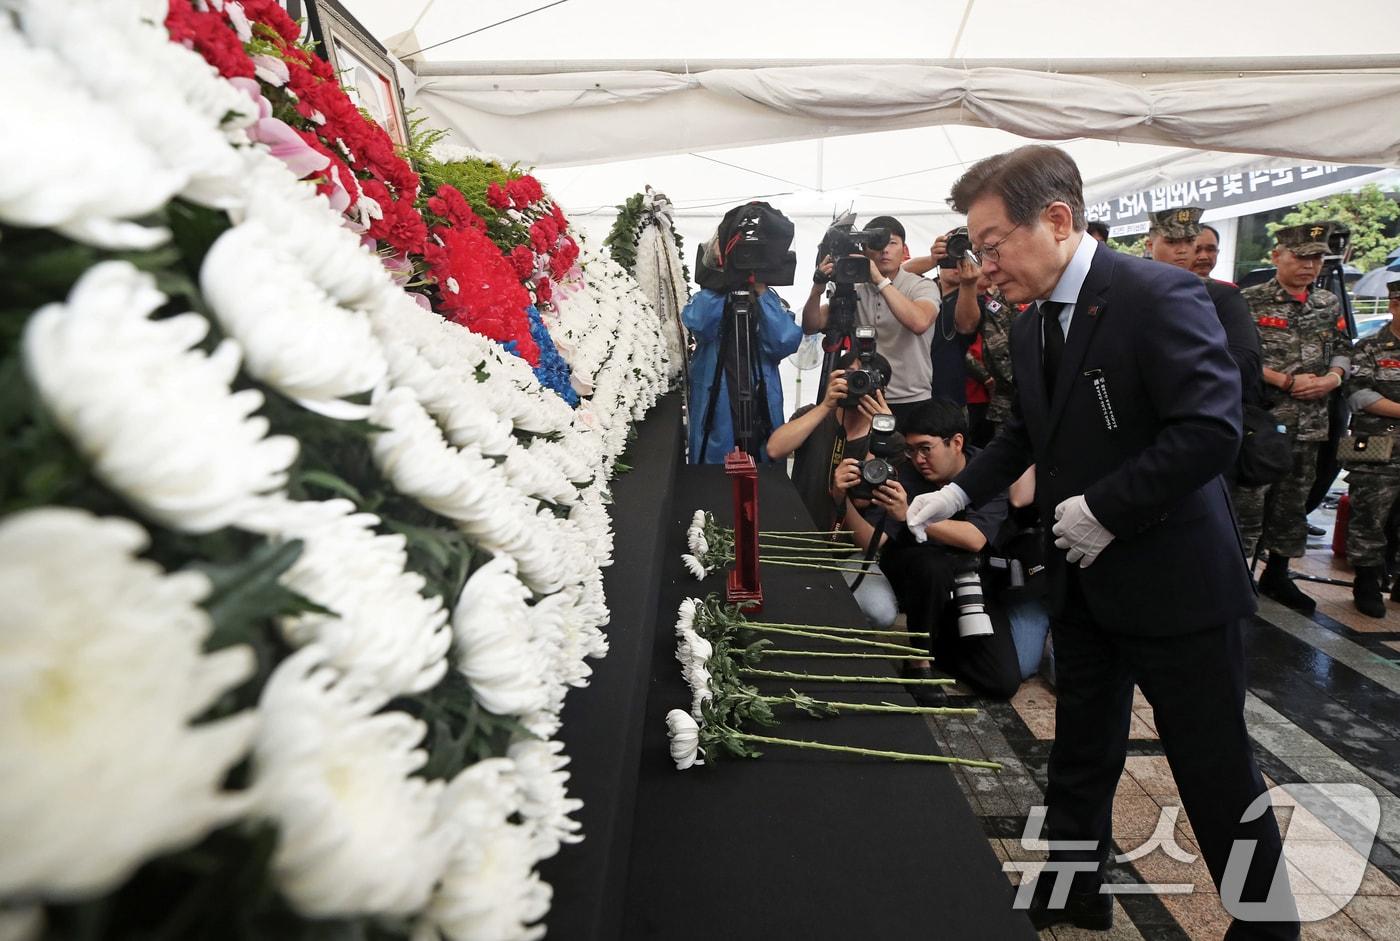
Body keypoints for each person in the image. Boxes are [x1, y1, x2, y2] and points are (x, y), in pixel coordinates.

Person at [909, 145, 1297, 939]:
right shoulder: (1032, 320)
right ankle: (1072, 887)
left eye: (991, 244)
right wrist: (956, 490)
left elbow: (1209, 430)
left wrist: (1106, 508)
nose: (982, 266)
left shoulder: (1158, 294)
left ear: (1056, 220)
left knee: (1214, 767)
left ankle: (1267, 926)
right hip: (1084, 578)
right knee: (1081, 748)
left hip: (1175, 580)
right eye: (975, 250)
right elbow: (1027, 431)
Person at [834, 398, 1021, 700]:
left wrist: (908, 515)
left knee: (1002, 682)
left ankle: (938, 643)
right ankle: (918, 661)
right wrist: (840, 497)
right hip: (917, 575)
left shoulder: (986, 471)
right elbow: (873, 541)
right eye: (911, 450)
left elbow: (974, 538)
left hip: (970, 582)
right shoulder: (904, 475)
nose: (918, 459)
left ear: (956, 442)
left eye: (926, 449)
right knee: (930, 564)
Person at [1235, 222, 1350, 611]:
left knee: (1293, 504)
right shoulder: (1248, 301)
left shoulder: (1327, 304)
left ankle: (1278, 574)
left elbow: (1342, 347)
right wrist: (1284, 380)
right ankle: (1236, 577)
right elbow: (1234, 355)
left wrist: (1332, 379)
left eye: (1316, 258)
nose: (1309, 266)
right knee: (1249, 504)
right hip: (1263, 422)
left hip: (1312, 422)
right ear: (1277, 257)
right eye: (1301, 257)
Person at [802, 216, 941, 427]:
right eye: (877, 244)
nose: (885, 250)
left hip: (911, 397)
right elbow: (811, 325)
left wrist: (879, 280)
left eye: (892, 243)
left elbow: (919, 322)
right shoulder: (853, 288)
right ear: (865, 250)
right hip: (863, 394)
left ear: (904, 249)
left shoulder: (921, 286)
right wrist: (817, 288)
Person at [1145, 207, 1263, 406]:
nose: (1182, 250)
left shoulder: (1221, 296)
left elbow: (1246, 363)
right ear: (1150, 245)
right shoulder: (1128, 290)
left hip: (1200, 407)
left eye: (1190, 242)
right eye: (1172, 242)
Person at [684, 281, 802, 463]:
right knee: (713, 484)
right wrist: (721, 281)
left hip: (761, 418)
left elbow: (785, 341)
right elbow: (699, 324)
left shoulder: (768, 300)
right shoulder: (709, 297)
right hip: (716, 418)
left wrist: (761, 290)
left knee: (764, 485)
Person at [1342, 276, 1400, 617]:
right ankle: (1366, 583)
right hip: (1379, 450)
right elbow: (1361, 395)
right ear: (1394, 306)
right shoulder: (1368, 347)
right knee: (1370, 517)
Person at [906, 229, 986, 407]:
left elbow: (966, 326)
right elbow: (893, 276)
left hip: (948, 394)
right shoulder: (921, 289)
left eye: (964, 257)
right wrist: (931, 259)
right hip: (910, 389)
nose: (956, 264)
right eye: (952, 255)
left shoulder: (972, 297)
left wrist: (968, 284)